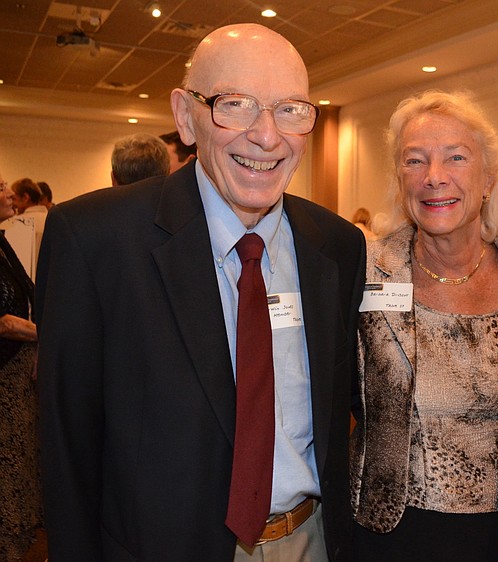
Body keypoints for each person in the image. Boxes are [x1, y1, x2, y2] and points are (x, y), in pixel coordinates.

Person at [36, 23, 365, 562]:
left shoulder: (336, 245)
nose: (266, 136)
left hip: (310, 541)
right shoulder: (94, 241)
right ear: (186, 117)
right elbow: (67, 448)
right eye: (235, 105)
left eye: (290, 109)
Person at [350, 90, 498, 562]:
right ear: (400, 179)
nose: (434, 178)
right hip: (389, 535)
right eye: (415, 161)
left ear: (488, 178)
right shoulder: (363, 271)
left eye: (455, 157)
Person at [0, 172, 40, 561]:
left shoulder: (3, 240)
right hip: (4, 383)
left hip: (17, 381)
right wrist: (46, 334)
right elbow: (5, 321)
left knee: (18, 475)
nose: (10, 192)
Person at [9, 178, 47, 271]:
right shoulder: (52, 219)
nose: (11, 203)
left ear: (25, 198)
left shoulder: (16, 224)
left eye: (13, 199)